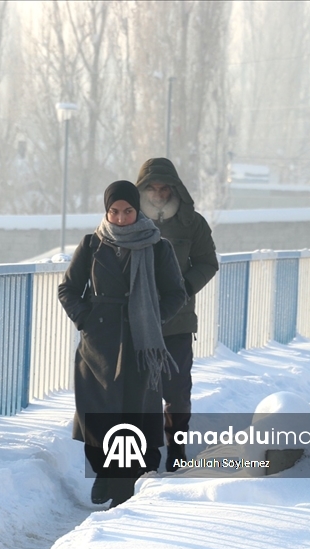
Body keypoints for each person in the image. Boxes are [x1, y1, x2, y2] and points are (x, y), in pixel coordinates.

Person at [58, 181, 187, 507]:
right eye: (114, 211)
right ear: (106, 212)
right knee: (97, 414)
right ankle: (104, 473)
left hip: (140, 345)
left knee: (133, 415)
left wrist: (152, 319)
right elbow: (68, 289)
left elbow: (176, 294)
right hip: (99, 345)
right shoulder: (91, 245)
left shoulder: (157, 247)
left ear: (137, 210)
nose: (120, 218)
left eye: (127, 211)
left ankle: (123, 489)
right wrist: (86, 320)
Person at [135, 158, 219, 471]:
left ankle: (177, 451)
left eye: (164, 188)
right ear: (142, 190)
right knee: (140, 393)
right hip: (137, 323)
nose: (158, 194)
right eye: (152, 188)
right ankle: (146, 456)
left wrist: (181, 289)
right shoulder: (127, 218)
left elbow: (207, 263)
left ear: (175, 189)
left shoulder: (192, 223)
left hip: (178, 321)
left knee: (178, 393)